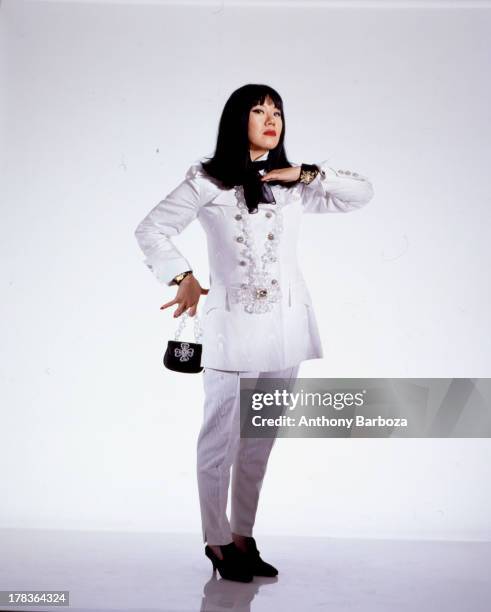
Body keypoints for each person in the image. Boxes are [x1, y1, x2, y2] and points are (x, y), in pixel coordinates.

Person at [134, 83, 374, 582]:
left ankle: (244, 534)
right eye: (258, 111)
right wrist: (183, 277)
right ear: (235, 120)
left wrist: (306, 172)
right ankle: (217, 540)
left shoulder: (293, 185)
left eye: (278, 111)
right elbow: (151, 229)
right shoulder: (207, 180)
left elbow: (361, 193)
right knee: (220, 438)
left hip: (286, 327)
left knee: (259, 438)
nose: (271, 120)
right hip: (232, 327)